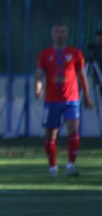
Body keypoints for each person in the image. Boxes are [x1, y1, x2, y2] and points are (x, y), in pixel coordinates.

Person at [34, 23, 94, 177]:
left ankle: (70, 165)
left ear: (66, 35)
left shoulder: (75, 53)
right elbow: (39, 75)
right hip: (51, 100)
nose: (59, 34)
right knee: (50, 134)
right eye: (56, 32)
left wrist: (86, 96)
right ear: (52, 35)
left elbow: (82, 76)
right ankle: (52, 167)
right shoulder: (45, 54)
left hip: (71, 100)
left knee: (73, 130)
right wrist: (38, 87)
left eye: (62, 32)